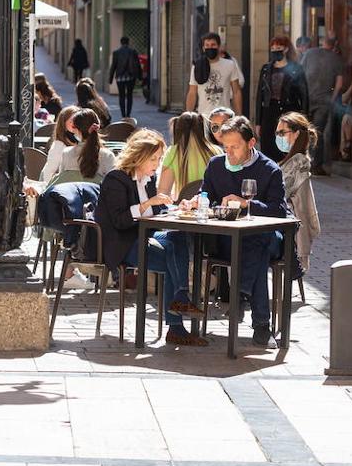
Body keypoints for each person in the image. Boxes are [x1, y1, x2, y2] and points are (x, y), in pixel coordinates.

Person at [96, 130, 207, 347]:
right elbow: (120, 220)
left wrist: (175, 207)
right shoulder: (116, 179)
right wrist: (148, 204)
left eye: (159, 158)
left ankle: (180, 302)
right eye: (153, 159)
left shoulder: (149, 178)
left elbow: (155, 212)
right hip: (122, 242)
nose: (157, 164)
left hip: (144, 236)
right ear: (138, 156)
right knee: (171, 258)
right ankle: (177, 322)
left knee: (177, 236)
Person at [193, 116, 288, 347]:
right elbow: (206, 196)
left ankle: (240, 294)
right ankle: (259, 320)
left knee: (258, 239)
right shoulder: (216, 165)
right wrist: (197, 201)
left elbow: (280, 211)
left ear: (251, 143)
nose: (229, 152)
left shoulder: (270, 170)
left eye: (235, 147)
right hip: (230, 238)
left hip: (266, 237)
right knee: (254, 249)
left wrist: (248, 205)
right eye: (226, 147)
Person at [274, 112, 320, 274]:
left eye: (282, 133)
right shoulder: (292, 161)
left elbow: (278, 192)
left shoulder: (298, 163)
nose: (278, 137)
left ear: (296, 134)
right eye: (277, 133)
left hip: (287, 232)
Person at [255, 36, 310, 161]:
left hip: (289, 112)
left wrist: (304, 120)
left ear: (285, 49)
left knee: (287, 148)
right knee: (268, 148)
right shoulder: (266, 69)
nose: (275, 51)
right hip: (269, 113)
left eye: (278, 48)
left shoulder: (296, 69)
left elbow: (304, 95)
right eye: (273, 48)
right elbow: (260, 97)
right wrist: (258, 122)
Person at [300, 34, 345, 175]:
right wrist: (333, 98)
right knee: (317, 132)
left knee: (304, 132)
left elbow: (299, 74)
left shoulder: (309, 53)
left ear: (322, 42)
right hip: (324, 101)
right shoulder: (336, 59)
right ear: (334, 45)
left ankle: (302, 163)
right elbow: (339, 83)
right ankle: (316, 165)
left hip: (307, 98)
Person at [157, 111, 222, 200]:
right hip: (210, 204)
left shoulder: (173, 152)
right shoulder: (216, 151)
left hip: (184, 207)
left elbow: (163, 191)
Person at [185, 32, 244, 119]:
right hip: (204, 116)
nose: (210, 48)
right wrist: (188, 115)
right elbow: (192, 92)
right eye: (207, 45)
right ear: (203, 48)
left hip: (224, 115)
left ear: (219, 47)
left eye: (213, 45)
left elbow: (236, 91)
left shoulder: (230, 65)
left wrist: (239, 116)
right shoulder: (197, 66)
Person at [33, 105, 81, 184]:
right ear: (63, 124)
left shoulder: (79, 140)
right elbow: (49, 172)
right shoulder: (59, 145)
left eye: (78, 121)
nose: (76, 124)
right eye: (72, 121)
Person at [108, 36, 144, 120]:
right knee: (129, 95)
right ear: (128, 42)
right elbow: (138, 65)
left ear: (121, 42)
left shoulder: (116, 53)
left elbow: (113, 66)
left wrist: (110, 78)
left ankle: (123, 114)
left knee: (121, 96)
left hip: (120, 77)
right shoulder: (133, 52)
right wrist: (140, 76)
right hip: (131, 77)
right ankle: (128, 114)